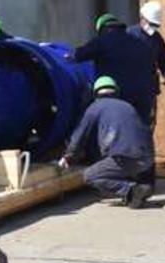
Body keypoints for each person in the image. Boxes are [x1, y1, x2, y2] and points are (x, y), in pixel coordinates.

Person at [58, 76, 155, 208]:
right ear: (116, 91)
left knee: (90, 175)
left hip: (127, 158)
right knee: (118, 165)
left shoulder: (95, 107)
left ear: (96, 93)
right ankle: (137, 193)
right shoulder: (127, 106)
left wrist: (68, 156)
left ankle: (131, 190)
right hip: (149, 159)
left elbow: (80, 135)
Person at [73, 13, 157, 128]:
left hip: (116, 96)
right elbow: (153, 69)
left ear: (101, 28)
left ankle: (79, 138)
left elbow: (78, 55)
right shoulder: (140, 43)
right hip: (143, 98)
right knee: (141, 129)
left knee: (86, 104)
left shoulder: (102, 41)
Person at [133, 0, 165, 129]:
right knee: (132, 122)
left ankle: (146, 148)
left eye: (156, 25)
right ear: (142, 19)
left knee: (149, 124)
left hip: (149, 89)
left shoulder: (156, 38)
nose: (153, 27)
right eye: (151, 24)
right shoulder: (129, 35)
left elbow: (163, 56)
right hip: (130, 89)